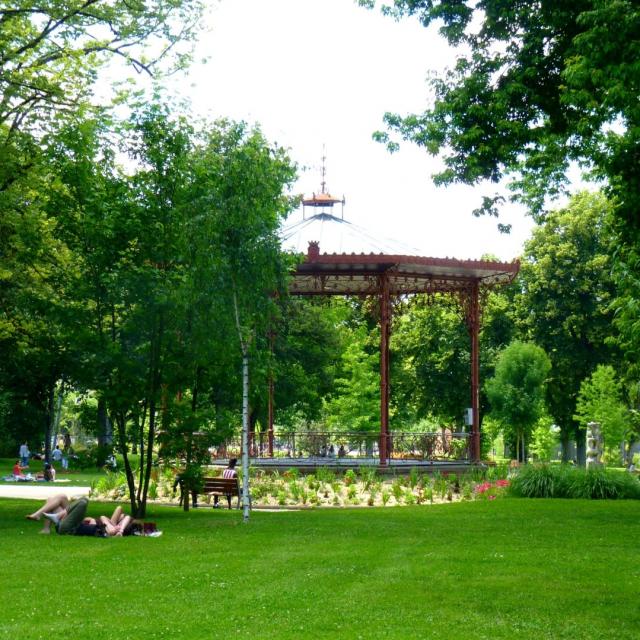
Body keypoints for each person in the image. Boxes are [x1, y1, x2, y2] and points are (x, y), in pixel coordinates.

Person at [25, 494, 130, 537]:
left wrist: (120, 530)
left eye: (122, 517)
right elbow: (119, 509)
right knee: (56, 498)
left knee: (84, 501)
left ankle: (54, 516)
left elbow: (123, 514)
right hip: (70, 522)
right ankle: (46, 528)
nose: (121, 516)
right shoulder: (106, 521)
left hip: (71, 527)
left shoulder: (109, 528)